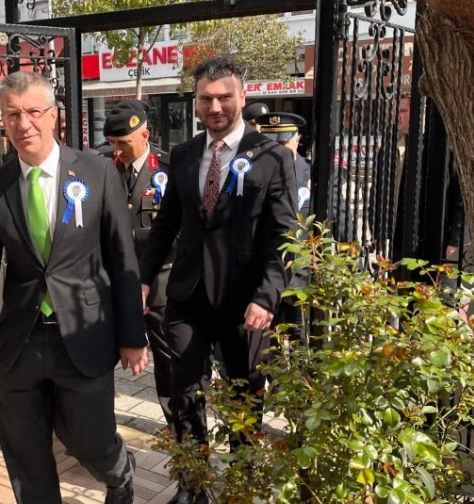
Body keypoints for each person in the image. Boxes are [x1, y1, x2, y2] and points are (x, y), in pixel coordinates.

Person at [0, 71, 147, 504]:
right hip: (21, 340)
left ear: (55, 116)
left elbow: (123, 261)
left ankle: (119, 471)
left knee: (88, 441)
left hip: (83, 334)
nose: (24, 124)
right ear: (1, 121)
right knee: (24, 452)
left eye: (34, 112)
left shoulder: (97, 172)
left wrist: (132, 337)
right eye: (12, 115)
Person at [139, 57, 298, 504]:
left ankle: (242, 487)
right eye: (206, 99)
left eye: (224, 97)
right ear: (196, 102)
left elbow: (284, 235)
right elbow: (167, 223)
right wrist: (146, 278)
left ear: (241, 98)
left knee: (245, 397)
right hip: (188, 296)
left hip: (246, 305)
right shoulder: (186, 153)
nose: (215, 107)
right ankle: (195, 486)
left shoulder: (272, 157)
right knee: (183, 391)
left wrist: (268, 297)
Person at [104, 99, 176, 429]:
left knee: (169, 364)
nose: (117, 150)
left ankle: (180, 435)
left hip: (161, 284)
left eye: (124, 143)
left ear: (145, 134)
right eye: (112, 143)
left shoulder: (170, 169)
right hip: (116, 283)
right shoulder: (103, 169)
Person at [255, 111, 311, 340]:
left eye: (283, 142)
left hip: (301, 275)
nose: (277, 149)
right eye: (271, 143)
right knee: (265, 349)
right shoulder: (252, 173)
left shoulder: (312, 173)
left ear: (297, 139)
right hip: (263, 276)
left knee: (303, 344)